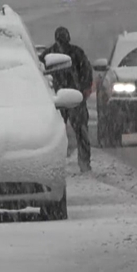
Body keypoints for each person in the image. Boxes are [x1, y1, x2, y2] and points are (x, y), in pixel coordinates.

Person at [40, 26, 94, 172]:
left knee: (56, 134)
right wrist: (84, 90)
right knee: (80, 132)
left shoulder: (48, 55)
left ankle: (55, 164)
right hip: (73, 97)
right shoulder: (77, 53)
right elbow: (87, 72)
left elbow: (40, 74)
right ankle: (84, 163)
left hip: (57, 99)